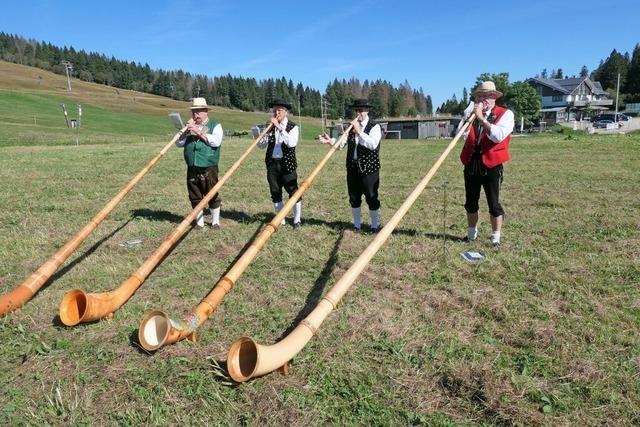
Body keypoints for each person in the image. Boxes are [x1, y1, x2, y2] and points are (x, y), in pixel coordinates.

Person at [458, 81, 514, 248]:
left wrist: (482, 119)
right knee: (470, 202)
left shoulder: (505, 114)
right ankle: (471, 233)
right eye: (480, 96)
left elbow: (498, 136)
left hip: (492, 164)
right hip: (471, 163)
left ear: (494, 98)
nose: (483, 99)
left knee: (494, 203)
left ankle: (495, 237)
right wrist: (469, 118)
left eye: (487, 96)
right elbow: (461, 135)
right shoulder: (471, 114)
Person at [319, 98, 383, 232]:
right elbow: (341, 144)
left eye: (361, 110)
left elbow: (372, 144)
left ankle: (374, 226)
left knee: (371, 197)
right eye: (356, 110)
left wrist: (359, 131)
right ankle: (357, 225)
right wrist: (330, 140)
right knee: (354, 197)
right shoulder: (351, 126)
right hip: (352, 168)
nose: (358, 112)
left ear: (367, 110)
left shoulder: (374, 126)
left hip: (369, 168)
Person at [175, 97, 223, 230]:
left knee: (211, 193)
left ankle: (215, 222)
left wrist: (197, 131)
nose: (196, 115)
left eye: (199, 112)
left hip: (209, 165)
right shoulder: (188, 127)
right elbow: (178, 143)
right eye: (194, 112)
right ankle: (200, 223)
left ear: (206, 112)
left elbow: (216, 141)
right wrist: (184, 132)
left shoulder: (215, 125)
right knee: (195, 194)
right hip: (192, 165)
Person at [259, 98, 302, 227]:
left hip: (287, 163)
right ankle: (280, 219)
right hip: (272, 163)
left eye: (279, 110)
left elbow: (291, 143)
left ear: (285, 112)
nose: (276, 113)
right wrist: (263, 134)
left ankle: (297, 219)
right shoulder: (270, 127)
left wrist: (279, 127)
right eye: (275, 110)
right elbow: (261, 146)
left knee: (293, 191)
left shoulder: (293, 127)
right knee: (275, 191)